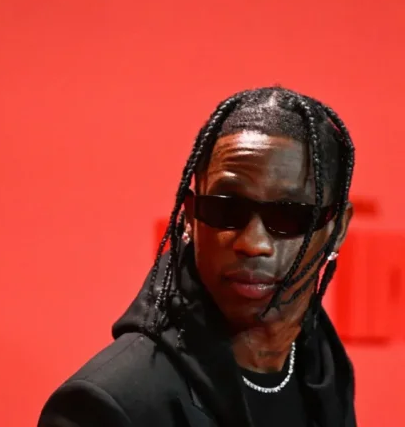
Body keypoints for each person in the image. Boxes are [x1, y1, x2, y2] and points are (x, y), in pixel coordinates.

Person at [38, 86, 356, 427]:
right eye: (226, 209)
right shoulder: (109, 405)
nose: (253, 243)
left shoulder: (322, 368)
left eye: (289, 216)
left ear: (337, 229)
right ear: (189, 217)